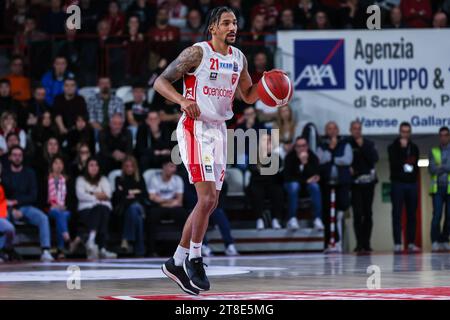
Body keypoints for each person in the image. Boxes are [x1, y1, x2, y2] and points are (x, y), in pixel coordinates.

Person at [153, 6, 280, 295]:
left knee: (209, 204)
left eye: (235, 22)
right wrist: (182, 101)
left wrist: (270, 87)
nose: (232, 27)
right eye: (226, 23)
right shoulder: (197, 53)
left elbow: (247, 95)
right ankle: (195, 258)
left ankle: (176, 262)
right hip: (194, 127)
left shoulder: (239, 59)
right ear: (213, 27)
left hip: (220, 131)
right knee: (206, 197)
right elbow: (160, 82)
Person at [2, 146, 54, 262]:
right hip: (9, 207)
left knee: (43, 218)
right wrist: (12, 207)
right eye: (14, 155)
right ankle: (4, 251)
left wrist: (18, 202)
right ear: (10, 157)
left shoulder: (30, 173)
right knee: (5, 218)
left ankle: (45, 250)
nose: (17, 158)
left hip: (26, 206)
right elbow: (3, 195)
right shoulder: (5, 174)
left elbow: (33, 195)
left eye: (19, 155)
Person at [317, 121, 353, 253]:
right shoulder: (322, 145)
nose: (331, 131)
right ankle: (329, 242)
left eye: (334, 128)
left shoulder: (345, 144)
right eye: (329, 128)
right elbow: (319, 159)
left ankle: (339, 241)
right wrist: (336, 159)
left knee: (341, 209)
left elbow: (347, 160)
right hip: (326, 183)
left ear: (337, 130)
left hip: (342, 183)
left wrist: (331, 158)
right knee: (327, 213)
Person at [388, 122, 421, 253]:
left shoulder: (414, 147)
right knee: (396, 213)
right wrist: (402, 150)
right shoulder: (392, 147)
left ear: (410, 132)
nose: (405, 134)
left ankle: (411, 242)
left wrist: (406, 165)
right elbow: (395, 164)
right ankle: (397, 243)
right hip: (398, 184)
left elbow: (415, 165)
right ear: (399, 132)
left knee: (412, 214)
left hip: (412, 184)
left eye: (407, 132)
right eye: (403, 131)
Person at [75, 157, 117, 260]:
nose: (94, 167)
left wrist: (90, 193)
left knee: (101, 209)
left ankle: (91, 240)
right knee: (101, 209)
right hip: (86, 210)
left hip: (103, 209)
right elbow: (81, 195)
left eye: (96, 165)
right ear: (87, 167)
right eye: (91, 165)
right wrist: (98, 195)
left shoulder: (103, 179)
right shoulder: (80, 179)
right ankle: (102, 248)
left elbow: (108, 194)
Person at [348, 120, 379, 253]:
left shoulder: (369, 143)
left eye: (359, 128)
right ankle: (359, 243)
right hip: (355, 184)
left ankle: (367, 243)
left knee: (368, 213)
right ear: (350, 130)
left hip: (368, 183)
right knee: (357, 213)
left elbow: (375, 158)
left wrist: (362, 146)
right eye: (354, 128)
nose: (357, 131)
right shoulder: (347, 143)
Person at [147, 161, 188, 257]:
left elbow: (179, 201)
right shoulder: (154, 179)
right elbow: (152, 197)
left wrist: (164, 202)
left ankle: (184, 248)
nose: (174, 169)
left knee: (183, 214)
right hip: (159, 207)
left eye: (174, 167)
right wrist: (169, 201)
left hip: (172, 207)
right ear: (164, 167)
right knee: (151, 216)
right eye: (171, 166)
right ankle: (151, 250)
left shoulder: (177, 179)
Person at [284, 136, 324, 231]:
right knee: (294, 186)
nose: (301, 148)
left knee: (315, 187)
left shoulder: (313, 157)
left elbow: (316, 175)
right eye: (298, 146)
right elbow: (288, 177)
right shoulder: (290, 158)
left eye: (304, 145)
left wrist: (305, 163)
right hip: (292, 185)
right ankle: (292, 218)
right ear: (295, 147)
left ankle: (317, 219)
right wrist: (305, 180)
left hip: (306, 187)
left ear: (307, 146)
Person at [248, 133, 284, 230]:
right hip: (258, 183)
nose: (267, 143)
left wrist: (264, 171)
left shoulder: (276, 157)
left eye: (269, 141)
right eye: (265, 141)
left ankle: (276, 219)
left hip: (272, 183)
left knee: (278, 191)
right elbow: (253, 170)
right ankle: (259, 219)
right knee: (256, 191)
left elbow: (278, 171)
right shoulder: (254, 156)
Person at [113, 156, 147, 257]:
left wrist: (127, 192)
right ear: (123, 167)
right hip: (126, 209)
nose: (129, 168)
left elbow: (145, 195)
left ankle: (125, 239)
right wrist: (135, 192)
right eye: (127, 166)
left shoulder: (140, 178)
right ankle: (140, 250)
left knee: (135, 207)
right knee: (136, 214)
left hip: (140, 206)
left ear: (135, 167)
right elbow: (118, 196)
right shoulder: (118, 179)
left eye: (131, 166)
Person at [428, 126, 450, 252]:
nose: (443, 137)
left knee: (449, 216)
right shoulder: (433, 150)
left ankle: (444, 239)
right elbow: (431, 169)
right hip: (437, 189)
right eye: (441, 135)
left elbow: (440, 168)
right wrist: (445, 167)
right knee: (436, 215)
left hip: (449, 188)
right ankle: (435, 240)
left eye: (446, 135)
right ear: (439, 136)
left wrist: (440, 166)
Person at [47, 156, 72, 259]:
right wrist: (54, 205)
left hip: (65, 209)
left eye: (60, 163)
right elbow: (42, 198)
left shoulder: (67, 180)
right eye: (56, 163)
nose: (58, 165)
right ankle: (66, 237)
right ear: (52, 165)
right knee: (58, 214)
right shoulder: (46, 179)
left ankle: (60, 248)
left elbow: (71, 199)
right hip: (50, 208)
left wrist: (65, 206)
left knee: (61, 215)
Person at [0, 162, 20, 263]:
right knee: (9, 228)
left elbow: (9, 194)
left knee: (9, 228)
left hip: (3, 213)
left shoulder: (3, 182)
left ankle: (6, 250)